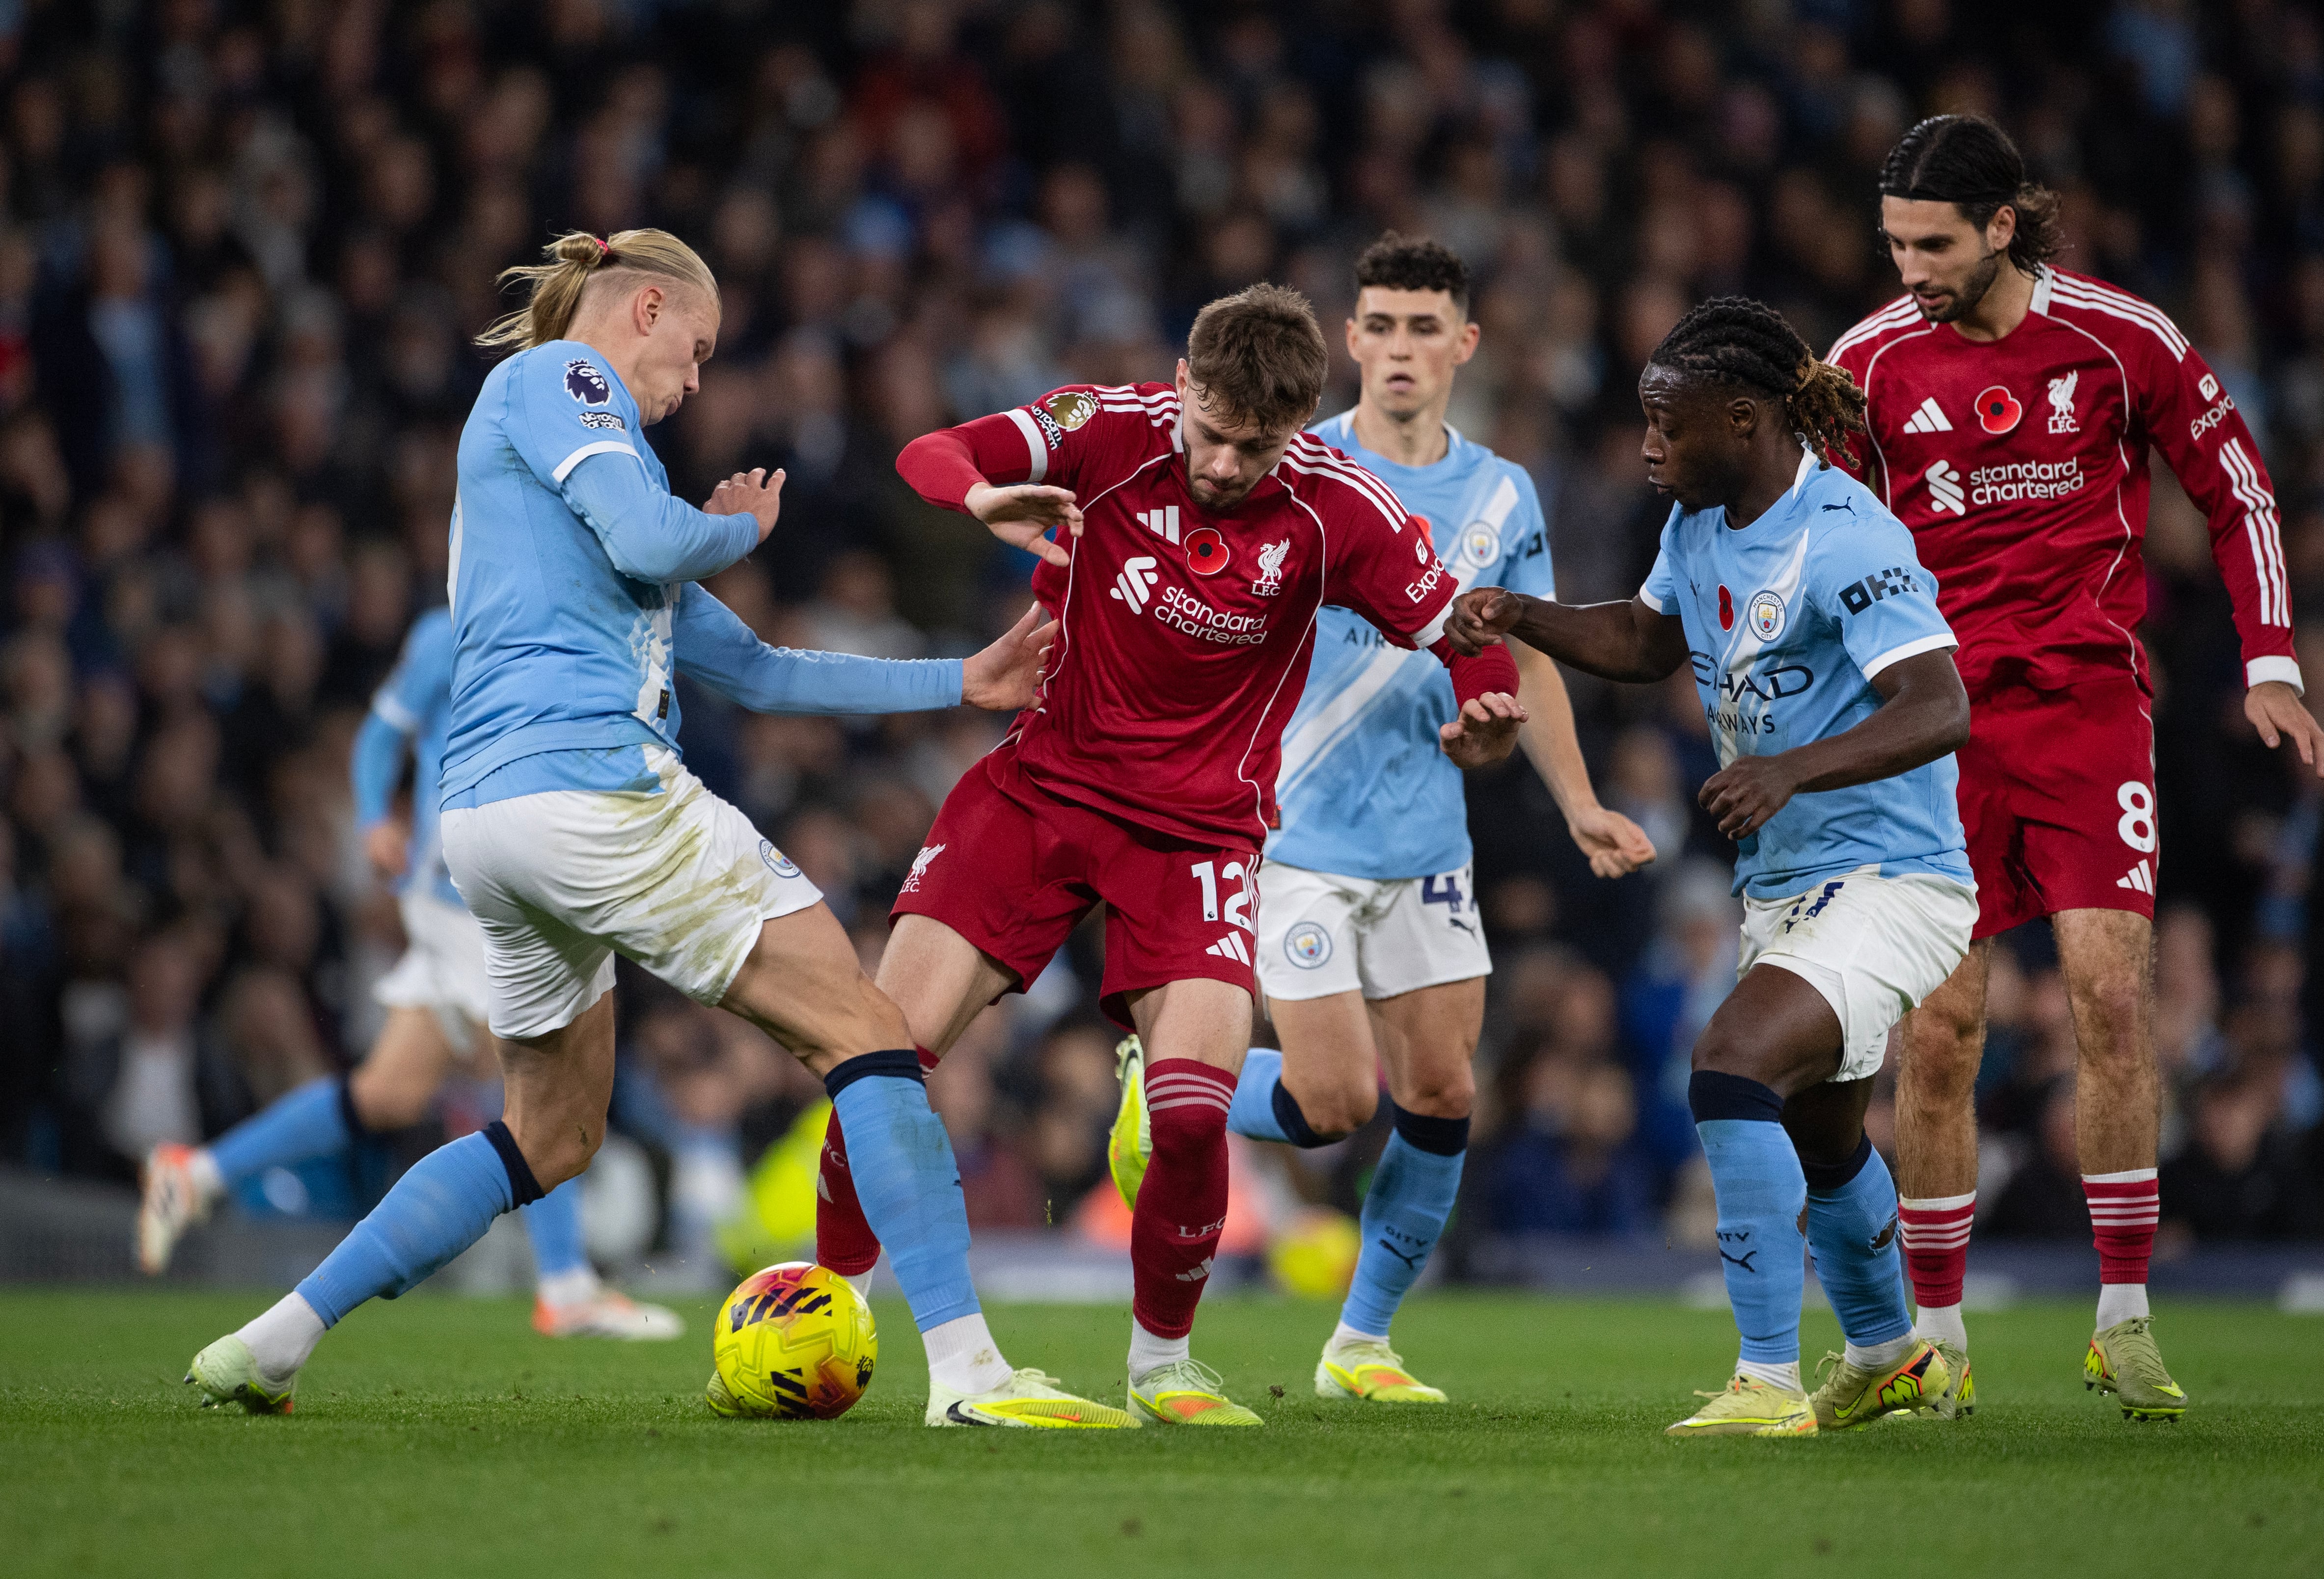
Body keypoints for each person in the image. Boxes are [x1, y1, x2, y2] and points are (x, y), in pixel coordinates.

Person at [185, 228, 1132, 1431]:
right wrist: (735, 525)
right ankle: (969, 1375)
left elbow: (763, 671)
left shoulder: (587, 483)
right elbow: (657, 538)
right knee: (868, 1033)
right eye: (695, 350)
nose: (693, 383)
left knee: (550, 1134)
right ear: (642, 309)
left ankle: (271, 1342)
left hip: (488, 825)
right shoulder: (560, 385)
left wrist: (963, 684)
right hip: (592, 789)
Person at [813, 282, 1528, 1427]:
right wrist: (986, 493)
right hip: (1039, 791)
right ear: (1183, 388)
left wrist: (1488, 710)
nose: (1230, 465)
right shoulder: (1105, 428)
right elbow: (929, 449)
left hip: (1197, 833)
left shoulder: (1344, 508)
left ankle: (1162, 1366)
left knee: (1193, 1114)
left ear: (1297, 427)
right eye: (1212, 434)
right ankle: (829, 1304)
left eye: (1258, 446)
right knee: (881, 1061)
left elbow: (1462, 636)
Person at [1827, 115, 2324, 1421]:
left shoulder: (2121, 339)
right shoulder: (1867, 365)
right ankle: (1934, 1341)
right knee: (1938, 1037)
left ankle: (2123, 1320)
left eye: (1930, 244)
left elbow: (2236, 485)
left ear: (2004, 225)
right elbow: (1804, 539)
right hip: (1931, 728)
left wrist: (2268, 658)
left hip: (2086, 711)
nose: (1907, 269)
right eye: (1892, 243)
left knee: (2115, 1002)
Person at [1102, 235, 1657, 1404]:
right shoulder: (1287, 465)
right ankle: (1166, 1089)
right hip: (1291, 829)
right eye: (1381, 326)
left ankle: (1361, 1343)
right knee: (1334, 1102)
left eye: (1423, 328)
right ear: (1349, 340)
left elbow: (1524, 656)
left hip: (1426, 840)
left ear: (1464, 344)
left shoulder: (1504, 494)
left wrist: (1573, 799)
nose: (1400, 349)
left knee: (1446, 1092)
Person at [1449, 296, 1975, 1438]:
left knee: (1730, 1062)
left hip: (1898, 874)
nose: (1646, 446)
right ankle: (1895, 1354)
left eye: (1664, 424)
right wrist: (1522, 616)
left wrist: (1791, 772)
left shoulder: (1846, 535)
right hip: (1789, 885)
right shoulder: (1697, 525)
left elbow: (1939, 704)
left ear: (1744, 419)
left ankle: (1766, 1380)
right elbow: (1647, 641)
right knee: (1824, 1138)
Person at [139, 606, 682, 1340]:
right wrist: (372, 819)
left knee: (387, 1093)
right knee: (548, 1081)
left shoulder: (572, 620)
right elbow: (381, 733)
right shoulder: (448, 632)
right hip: (468, 895)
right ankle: (566, 1284)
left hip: (489, 888)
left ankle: (195, 1174)